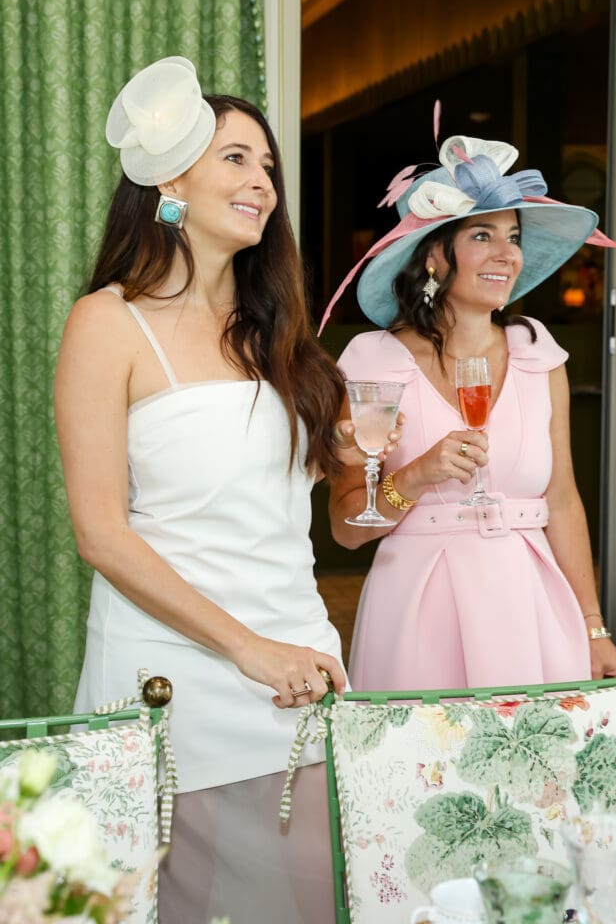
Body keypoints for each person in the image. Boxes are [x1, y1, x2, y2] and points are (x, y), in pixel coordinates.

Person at [54, 56, 396, 924]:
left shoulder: (277, 337)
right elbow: (102, 534)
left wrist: (380, 472)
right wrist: (247, 649)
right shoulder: (107, 322)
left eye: (268, 166)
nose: (262, 183)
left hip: (301, 667)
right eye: (237, 159)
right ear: (170, 179)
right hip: (178, 680)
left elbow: (350, 525)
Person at [325, 125, 616, 693]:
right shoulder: (374, 360)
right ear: (435, 257)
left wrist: (592, 628)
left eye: (512, 236)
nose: (507, 254)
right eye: (482, 235)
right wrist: (416, 476)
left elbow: (561, 497)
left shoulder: (538, 351)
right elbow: (346, 527)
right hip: (417, 610)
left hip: (530, 603)